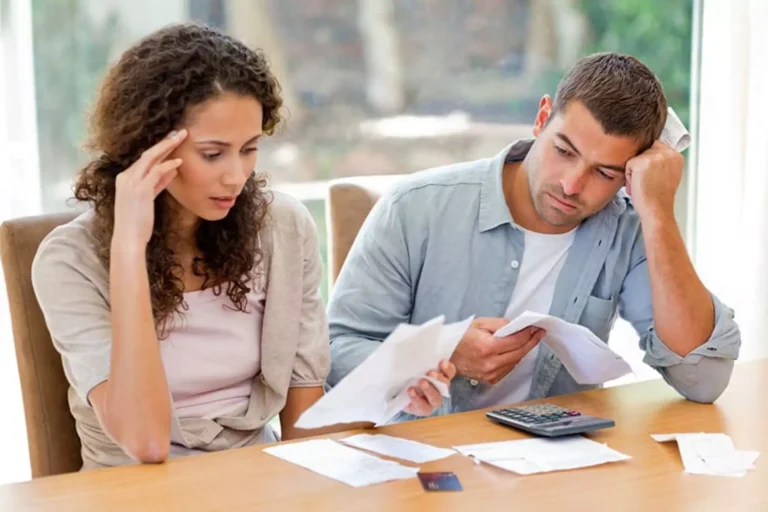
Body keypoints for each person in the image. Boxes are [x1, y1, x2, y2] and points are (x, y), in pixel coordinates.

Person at [32, 23, 454, 470]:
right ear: (147, 148)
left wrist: (388, 396)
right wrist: (129, 249)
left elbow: (302, 429)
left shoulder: (282, 230)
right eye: (212, 154)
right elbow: (146, 444)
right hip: (129, 490)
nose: (236, 176)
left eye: (249, 149)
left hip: (256, 481)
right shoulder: (69, 261)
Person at [327, 52, 741, 420]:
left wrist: (659, 212)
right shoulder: (414, 207)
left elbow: (702, 380)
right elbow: (332, 352)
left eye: (605, 172)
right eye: (564, 151)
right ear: (542, 118)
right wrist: (438, 349)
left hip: (551, 474)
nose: (572, 185)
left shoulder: (627, 231)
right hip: (420, 474)